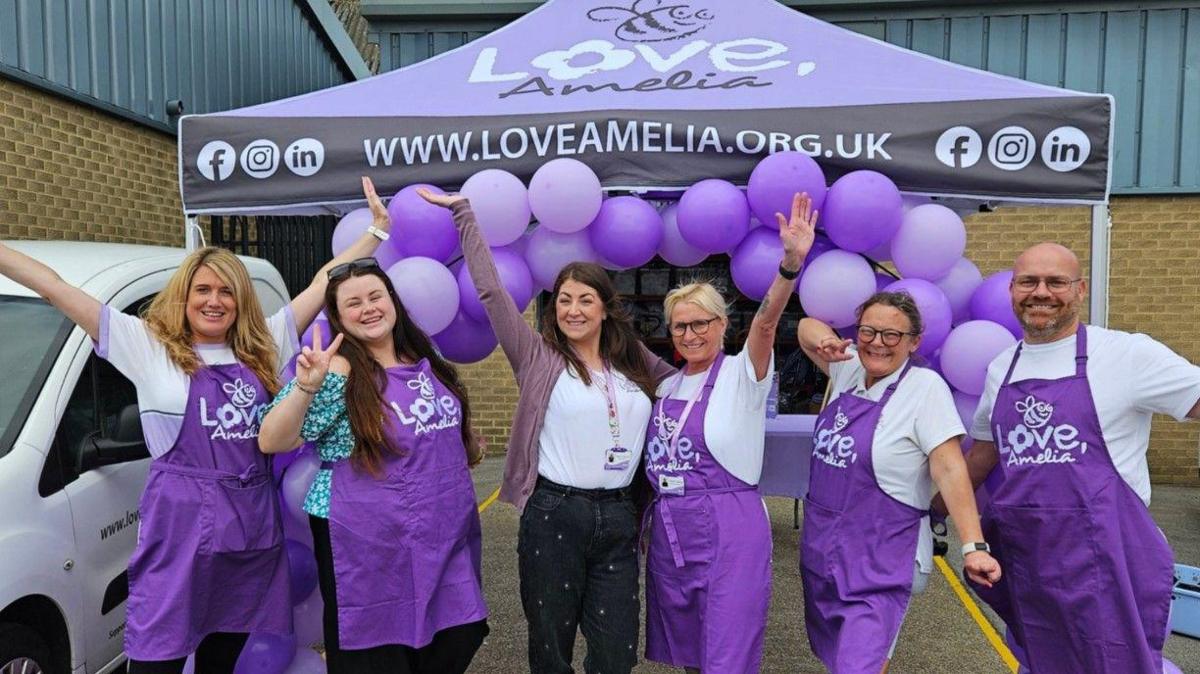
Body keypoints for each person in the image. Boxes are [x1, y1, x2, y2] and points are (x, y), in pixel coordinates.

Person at [0, 177, 393, 673]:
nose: (214, 300)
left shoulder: (264, 344)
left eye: (226, 291)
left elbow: (322, 283)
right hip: (178, 522)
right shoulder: (144, 344)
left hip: (250, 519)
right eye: (202, 289)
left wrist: (376, 232)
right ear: (184, 297)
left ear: (240, 300)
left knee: (221, 658)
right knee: (155, 656)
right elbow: (55, 288)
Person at [418, 188, 676, 674]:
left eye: (584, 299)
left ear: (605, 308)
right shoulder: (537, 356)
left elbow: (687, 385)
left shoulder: (634, 360)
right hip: (555, 513)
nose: (572, 309)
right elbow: (493, 293)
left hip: (620, 515)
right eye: (563, 300)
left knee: (616, 653)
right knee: (550, 650)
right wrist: (464, 215)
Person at [958, 242, 1200, 673]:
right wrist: (931, 508)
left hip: (1110, 561)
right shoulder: (1002, 367)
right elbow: (984, 454)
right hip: (1030, 561)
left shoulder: (1127, 354)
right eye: (1029, 281)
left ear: (1081, 289)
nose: (1041, 292)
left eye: (1056, 282)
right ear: (1012, 289)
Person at [257, 257, 488, 674]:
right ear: (340, 318)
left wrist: (462, 442)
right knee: (378, 647)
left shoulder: (424, 357)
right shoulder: (339, 370)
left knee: (460, 628)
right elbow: (273, 439)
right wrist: (306, 387)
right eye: (354, 303)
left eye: (375, 296)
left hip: (439, 526)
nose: (369, 308)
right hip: (364, 539)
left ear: (392, 300)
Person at [640, 193, 810, 673]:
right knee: (691, 650)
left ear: (721, 324)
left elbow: (767, 321)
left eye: (700, 323)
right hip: (672, 529)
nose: (690, 334)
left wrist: (790, 266)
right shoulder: (667, 386)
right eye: (679, 327)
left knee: (728, 650)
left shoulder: (742, 374)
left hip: (729, 528)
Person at [798, 291, 1001, 674]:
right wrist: (825, 340)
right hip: (826, 551)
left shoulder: (924, 389)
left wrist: (973, 546)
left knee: (859, 664)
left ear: (914, 342)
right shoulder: (847, 370)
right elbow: (806, 328)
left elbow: (951, 469)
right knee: (840, 658)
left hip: (883, 559)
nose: (878, 342)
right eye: (869, 331)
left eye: (892, 335)